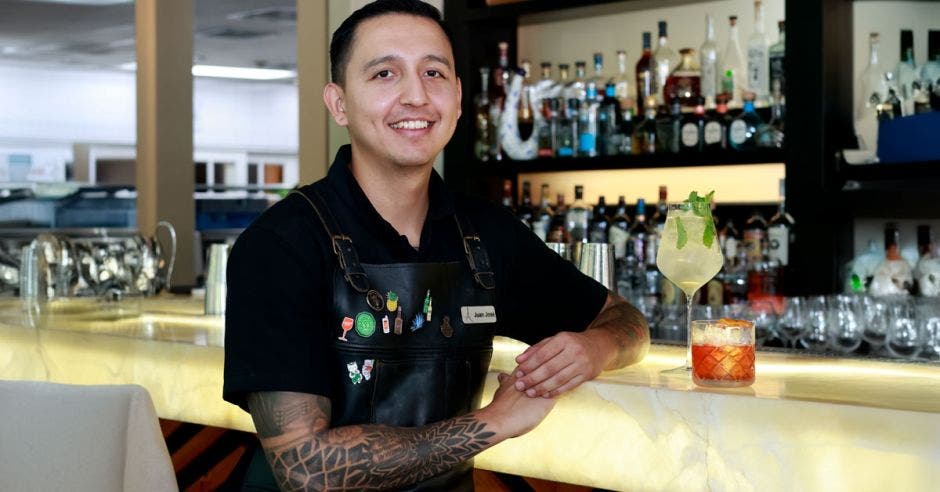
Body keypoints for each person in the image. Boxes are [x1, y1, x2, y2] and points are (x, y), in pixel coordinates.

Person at [222, 1, 650, 490]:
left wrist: (595, 347)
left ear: (459, 98)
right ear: (339, 103)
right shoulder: (282, 244)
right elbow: (308, 471)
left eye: (434, 73)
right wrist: (494, 421)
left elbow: (628, 322)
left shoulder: (485, 233)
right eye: (385, 74)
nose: (416, 96)